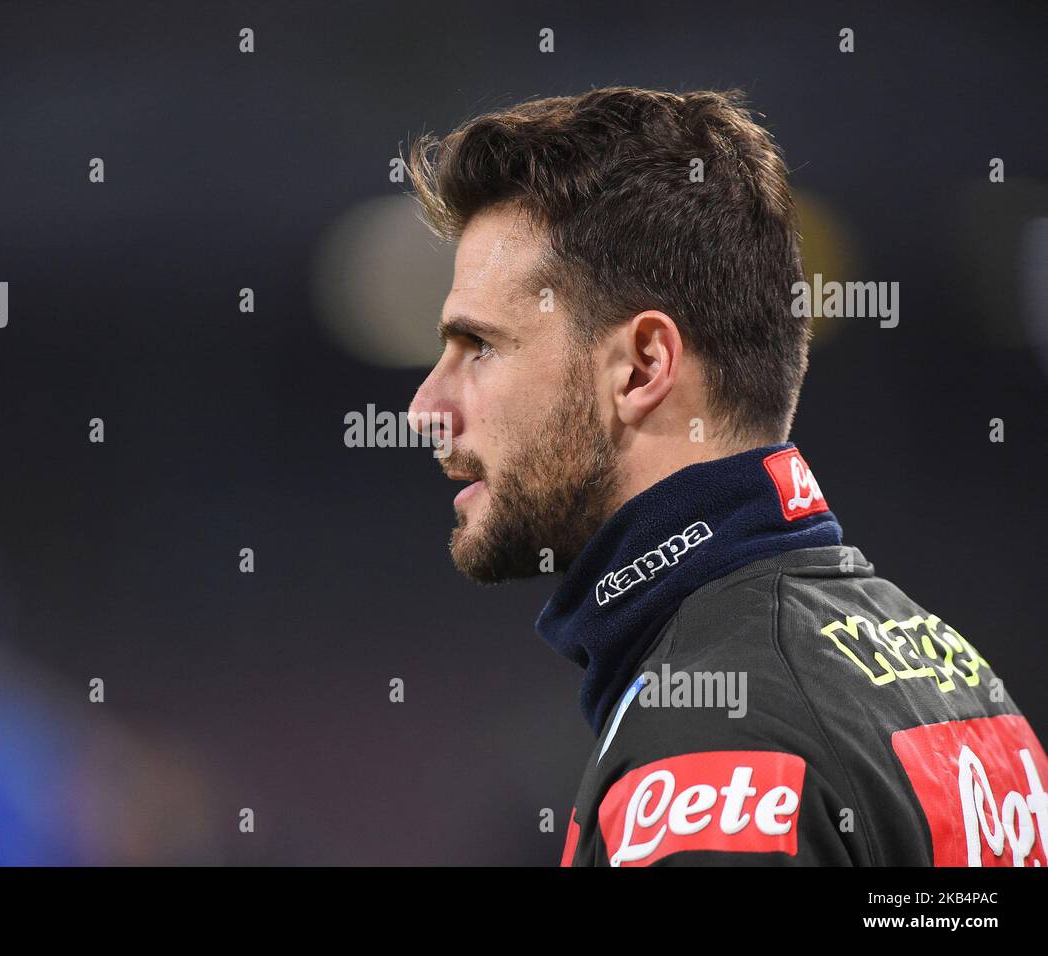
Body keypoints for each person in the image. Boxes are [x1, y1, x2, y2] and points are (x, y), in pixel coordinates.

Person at [404, 86, 1048, 866]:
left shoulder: (703, 764)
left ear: (642, 367)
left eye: (479, 346)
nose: (425, 408)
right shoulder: (956, 676)